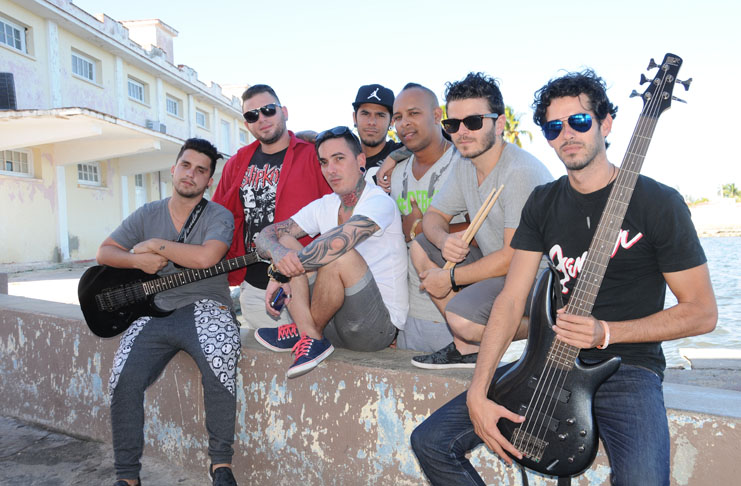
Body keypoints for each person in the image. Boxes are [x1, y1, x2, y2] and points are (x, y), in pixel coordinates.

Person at [410, 70, 718, 486]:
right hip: (547, 359)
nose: (567, 134)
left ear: (605, 124)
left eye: (579, 121)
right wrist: (478, 391)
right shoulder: (544, 201)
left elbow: (702, 313)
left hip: (627, 367)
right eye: (554, 127)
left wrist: (604, 332)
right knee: (431, 441)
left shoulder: (659, 203)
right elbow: (510, 299)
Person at [98, 139, 240, 486]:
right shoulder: (148, 213)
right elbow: (104, 252)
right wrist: (136, 259)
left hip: (207, 304)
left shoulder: (218, 215)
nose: (191, 174)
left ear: (209, 181)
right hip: (154, 309)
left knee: (221, 355)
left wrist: (157, 245)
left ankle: (221, 465)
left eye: (201, 170)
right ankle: (128, 476)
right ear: (172, 169)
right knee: (121, 376)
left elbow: (207, 258)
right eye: (186, 165)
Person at [409, 72, 552, 369]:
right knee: (420, 247)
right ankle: (465, 348)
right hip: (499, 269)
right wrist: (444, 240)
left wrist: (447, 277)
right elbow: (433, 218)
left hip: (538, 281)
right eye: (452, 124)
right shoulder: (465, 164)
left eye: (473, 122)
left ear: (499, 124)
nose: (462, 132)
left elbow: (513, 257)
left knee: (461, 318)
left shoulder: (519, 171)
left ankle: (546, 332)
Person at [253, 126, 408, 378]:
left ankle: (305, 330)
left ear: (359, 161)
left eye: (339, 159)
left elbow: (338, 244)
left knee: (338, 254)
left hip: (373, 328)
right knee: (286, 240)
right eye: (324, 162)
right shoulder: (325, 205)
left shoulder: (378, 201)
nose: (331, 170)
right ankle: (309, 333)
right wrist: (279, 257)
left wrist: (279, 273)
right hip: (333, 324)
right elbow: (266, 235)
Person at [211, 84, 331, 330]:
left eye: (268, 110)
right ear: (246, 124)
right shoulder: (236, 163)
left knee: (314, 352)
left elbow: (337, 213)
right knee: (276, 360)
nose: (262, 119)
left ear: (284, 112)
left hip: (306, 281)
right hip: (255, 285)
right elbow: (217, 217)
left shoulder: (313, 156)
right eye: (252, 115)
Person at [387, 83, 466, 351]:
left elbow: (488, 228)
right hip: (409, 314)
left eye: (413, 113)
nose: (404, 123)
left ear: (436, 115)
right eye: (398, 118)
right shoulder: (395, 173)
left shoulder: (464, 163)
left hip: (457, 310)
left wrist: (421, 228)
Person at [352, 83, 403, 182]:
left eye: (380, 115)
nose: (371, 122)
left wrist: (394, 157)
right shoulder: (344, 157)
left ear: (392, 121)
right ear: (354, 118)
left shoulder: (403, 153)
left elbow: (435, 138)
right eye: (365, 114)